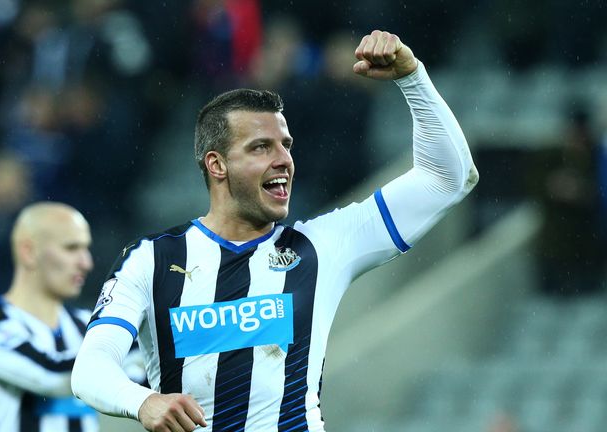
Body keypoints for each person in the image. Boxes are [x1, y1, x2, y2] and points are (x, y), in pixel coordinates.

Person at [71, 30, 479, 431]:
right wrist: (141, 400)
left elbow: (447, 178)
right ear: (217, 165)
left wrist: (412, 77)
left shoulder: (321, 246)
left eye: (286, 145)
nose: (284, 159)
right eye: (261, 147)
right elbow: (90, 370)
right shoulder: (152, 260)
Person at [0, 202, 145, 432]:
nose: (86, 263)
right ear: (29, 252)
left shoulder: (86, 322)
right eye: (71, 248)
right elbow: (50, 374)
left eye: (86, 249)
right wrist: (118, 364)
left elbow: (144, 365)